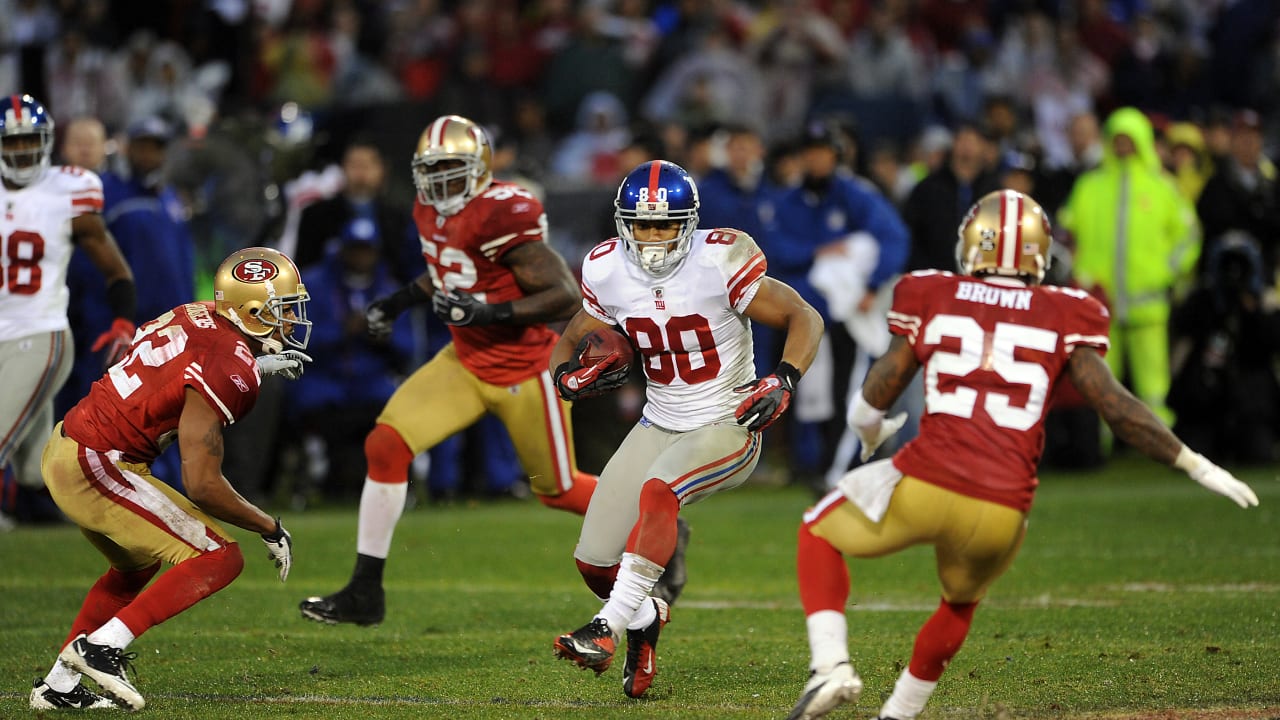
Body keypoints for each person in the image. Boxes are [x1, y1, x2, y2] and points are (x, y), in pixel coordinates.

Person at [785, 189, 1260, 720]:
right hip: (1003, 509)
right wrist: (1196, 464)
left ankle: (830, 666)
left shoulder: (932, 292)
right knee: (960, 602)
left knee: (817, 531)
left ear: (971, 247)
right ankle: (897, 714)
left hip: (928, 479)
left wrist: (867, 427)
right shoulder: (1067, 310)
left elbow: (884, 384)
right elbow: (1116, 407)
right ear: (1040, 254)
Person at [298, 115, 678, 626]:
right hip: (464, 359)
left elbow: (563, 296)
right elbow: (448, 270)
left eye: (451, 169)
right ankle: (365, 591)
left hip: (525, 369)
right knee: (385, 444)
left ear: (478, 168)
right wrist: (398, 302)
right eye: (431, 171)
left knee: (559, 490)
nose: (439, 183)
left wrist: (488, 312)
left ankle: (656, 521)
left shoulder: (503, 214)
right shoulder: (428, 209)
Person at [550, 160, 824, 699]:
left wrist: (784, 379)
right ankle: (645, 615)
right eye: (643, 224)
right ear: (623, 222)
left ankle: (605, 628)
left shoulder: (719, 259)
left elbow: (804, 317)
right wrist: (565, 377)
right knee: (593, 558)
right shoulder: (606, 267)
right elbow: (571, 336)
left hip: (727, 420)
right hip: (661, 419)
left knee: (661, 490)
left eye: (666, 224)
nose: (653, 237)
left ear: (690, 223)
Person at [30, 246, 312, 711]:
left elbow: (183, 362)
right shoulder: (227, 363)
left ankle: (58, 687)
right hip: (98, 463)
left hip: (69, 446)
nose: (291, 321)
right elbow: (202, 485)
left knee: (135, 567)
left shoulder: (199, 311)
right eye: (283, 310)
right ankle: (100, 648)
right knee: (220, 557)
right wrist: (267, 525)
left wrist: (252, 364)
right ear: (253, 311)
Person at [0, 95, 135, 518]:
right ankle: (128, 501)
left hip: (39, 335)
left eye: (30, 141)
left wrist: (123, 319)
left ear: (46, 143)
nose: (22, 151)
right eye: (13, 142)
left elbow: (115, 268)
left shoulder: (67, 189)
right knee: (37, 471)